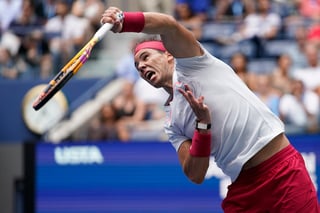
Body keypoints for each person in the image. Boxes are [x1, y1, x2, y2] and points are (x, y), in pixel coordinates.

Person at [100, 6, 320, 212]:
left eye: (145, 57)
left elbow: (167, 24)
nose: (142, 66)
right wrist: (202, 127)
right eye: (138, 67)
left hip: (283, 171)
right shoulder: (172, 121)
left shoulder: (194, 63)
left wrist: (124, 20)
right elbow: (195, 174)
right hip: (245, 189)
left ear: (168, 55)